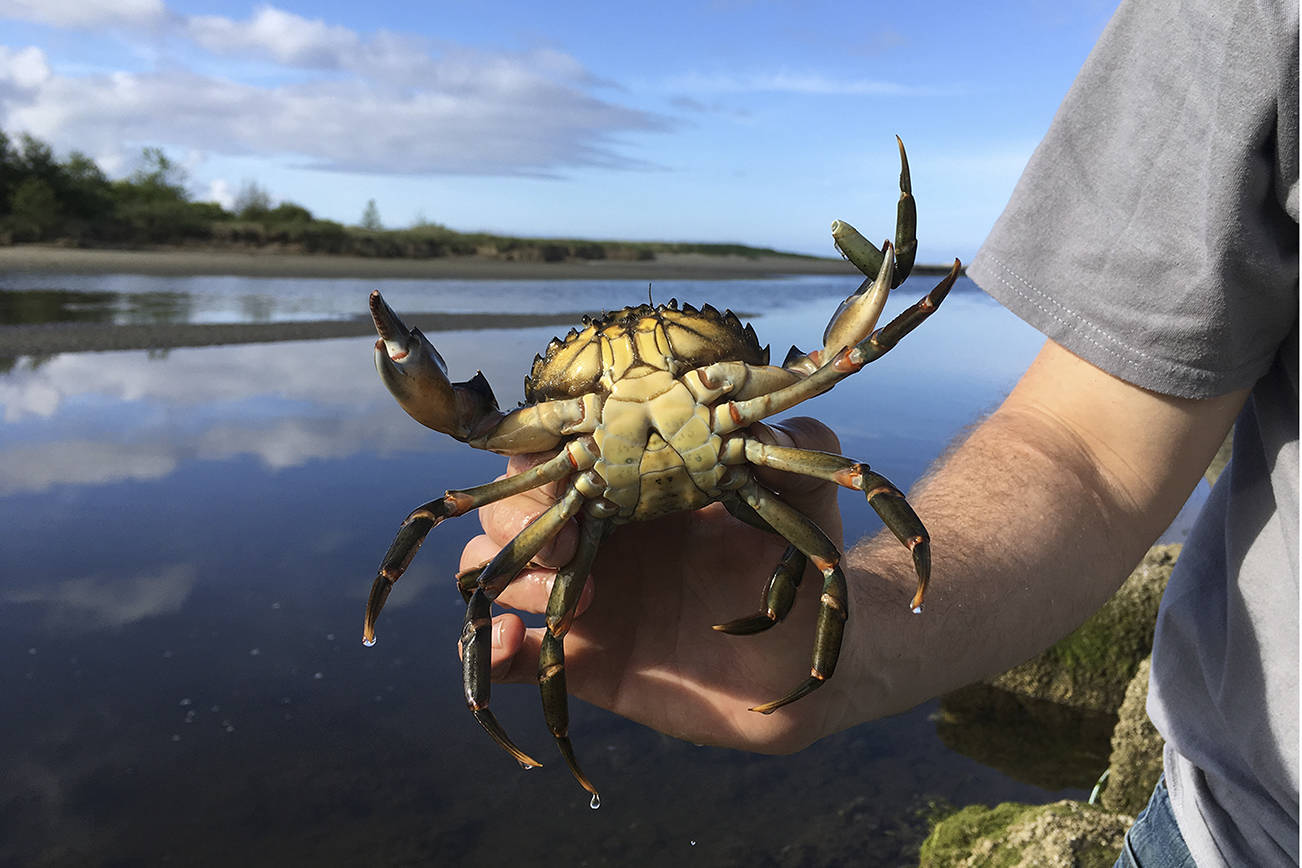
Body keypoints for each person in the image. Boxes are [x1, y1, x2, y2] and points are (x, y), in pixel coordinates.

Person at [461, 0, 1298, 863]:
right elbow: (1091, 453)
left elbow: (853, 349)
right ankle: (553, 733)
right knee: (506, 587)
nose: (643, 357)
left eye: (672, 332)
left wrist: (902, 275)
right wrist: (871, 641)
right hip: (1234, 837)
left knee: (831, 529)